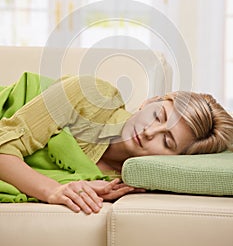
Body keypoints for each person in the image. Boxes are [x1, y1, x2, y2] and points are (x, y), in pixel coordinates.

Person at [0, 74, 232, 214]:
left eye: (167, 141)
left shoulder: (123, 182)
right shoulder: (92, 95)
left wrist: (74, 186)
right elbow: (3, 146)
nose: (150, 132)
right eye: (158, 116)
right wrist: (52, 189)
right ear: (149, 101)